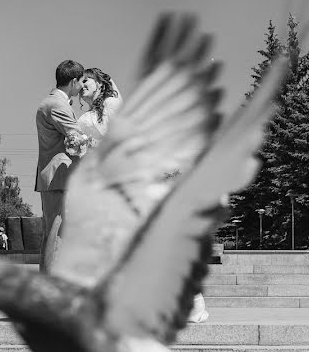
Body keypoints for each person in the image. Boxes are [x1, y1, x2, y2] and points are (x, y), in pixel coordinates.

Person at [77, 67, 210, 323]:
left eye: (87, 80)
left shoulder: (113, 104)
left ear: (100, 82)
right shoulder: (86, 118)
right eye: (80, 82)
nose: (83, 85)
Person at [35, 59, 85, 272]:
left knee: (53, 232)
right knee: (57, 233)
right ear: (73, 81)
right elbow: (76, 137)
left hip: (54, 177)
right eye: (81, 81)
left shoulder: (51, 102)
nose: (82, 86)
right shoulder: (57, 105)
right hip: (59, 177)